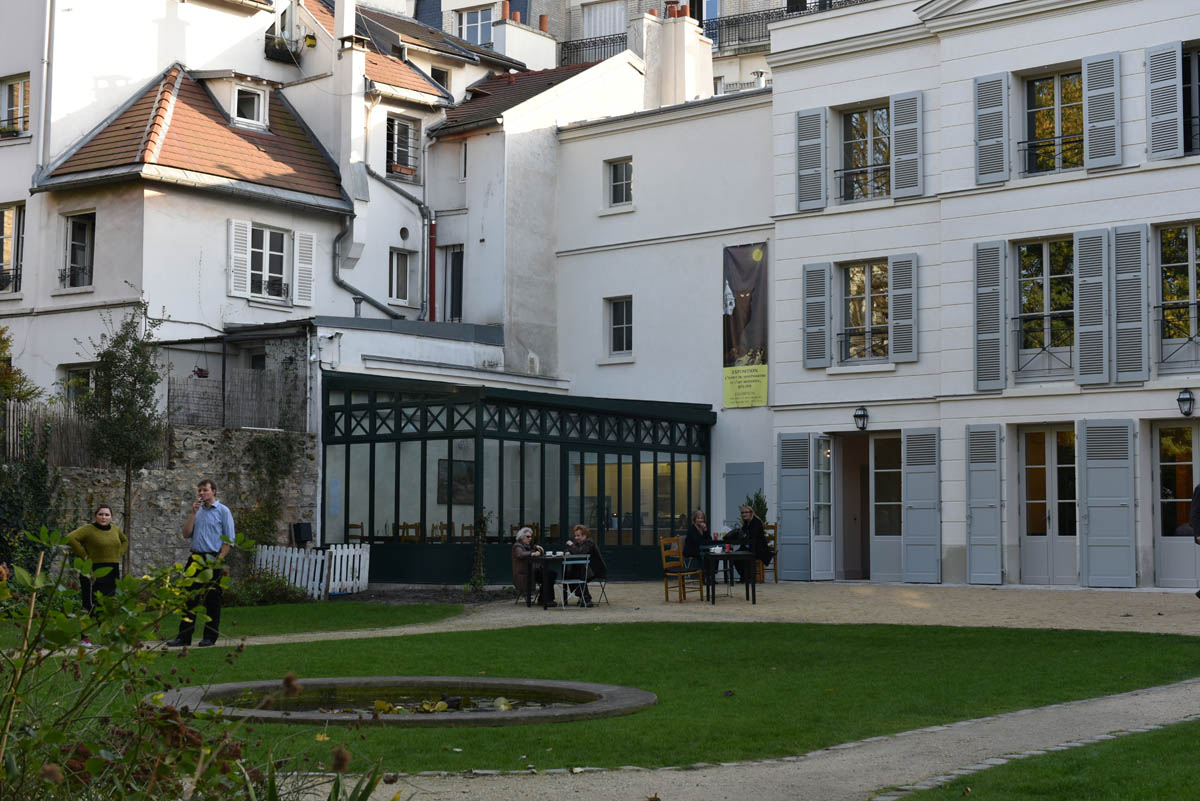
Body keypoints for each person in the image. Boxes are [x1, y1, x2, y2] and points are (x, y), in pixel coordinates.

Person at [167, 479, 235, 647]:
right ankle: (184, 637)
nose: (201, 493)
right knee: (189, 598)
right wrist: (192, 513)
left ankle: (210, 638)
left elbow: (229, 541)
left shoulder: (223, 511)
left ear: (214, 491)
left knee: (213, 599)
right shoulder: (197, 511)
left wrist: (218, 561)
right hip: (195, 558)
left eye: (205, 490)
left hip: (213, 558)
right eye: (200, 490)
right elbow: (186, 534)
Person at [65, 504, 128, 647]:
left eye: (107, 515)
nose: (104, 517)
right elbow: (70, 538)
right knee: (90, 604)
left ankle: (105, 637)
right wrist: (84, 555)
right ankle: (84, 638)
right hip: (92, 570)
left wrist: (119, 554)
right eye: (101, 514)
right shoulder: (88, 529)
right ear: (95, 516)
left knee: (105, 605)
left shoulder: (115, 530)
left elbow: (125, 541)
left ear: (111, 517)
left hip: (112, 570)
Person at [511, 527, 557, 607]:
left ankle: (545, 599)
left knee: (551, 573)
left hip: (533, 571)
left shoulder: (529, 545)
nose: (530, 538)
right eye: (528, 537)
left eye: (531, 536)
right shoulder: (517, 546)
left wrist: (536, 547)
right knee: (548, 575)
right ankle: (545, 599)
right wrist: (532, 553)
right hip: (525, 573)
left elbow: (532, 547)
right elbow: (520, 554)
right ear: (521, 537)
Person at [726, 504, 771, 582]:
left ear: (751, 513)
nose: (744, 514)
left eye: (746, 512)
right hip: (749, 547)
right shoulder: (746, 523)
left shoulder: (756, 522)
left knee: (743, 556)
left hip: (759, 548)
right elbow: (743, 535)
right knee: (734, 556)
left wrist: (744, 536)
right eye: (742, 513)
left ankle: (748, 578)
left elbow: (752, 536)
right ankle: (744, 577)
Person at [565, 524, 607, 607]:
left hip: (594, 570)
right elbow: (568, 550)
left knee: (577, 572)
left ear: (584, 535)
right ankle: (583, 596)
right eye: (575, 535)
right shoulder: (577, 542)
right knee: (569, 574)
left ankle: (586, 598)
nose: (576, 538)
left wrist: (571, 546)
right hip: (584, 569)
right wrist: (567, 551)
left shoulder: (589, 542)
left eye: (578, 535)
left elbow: (580, 553)